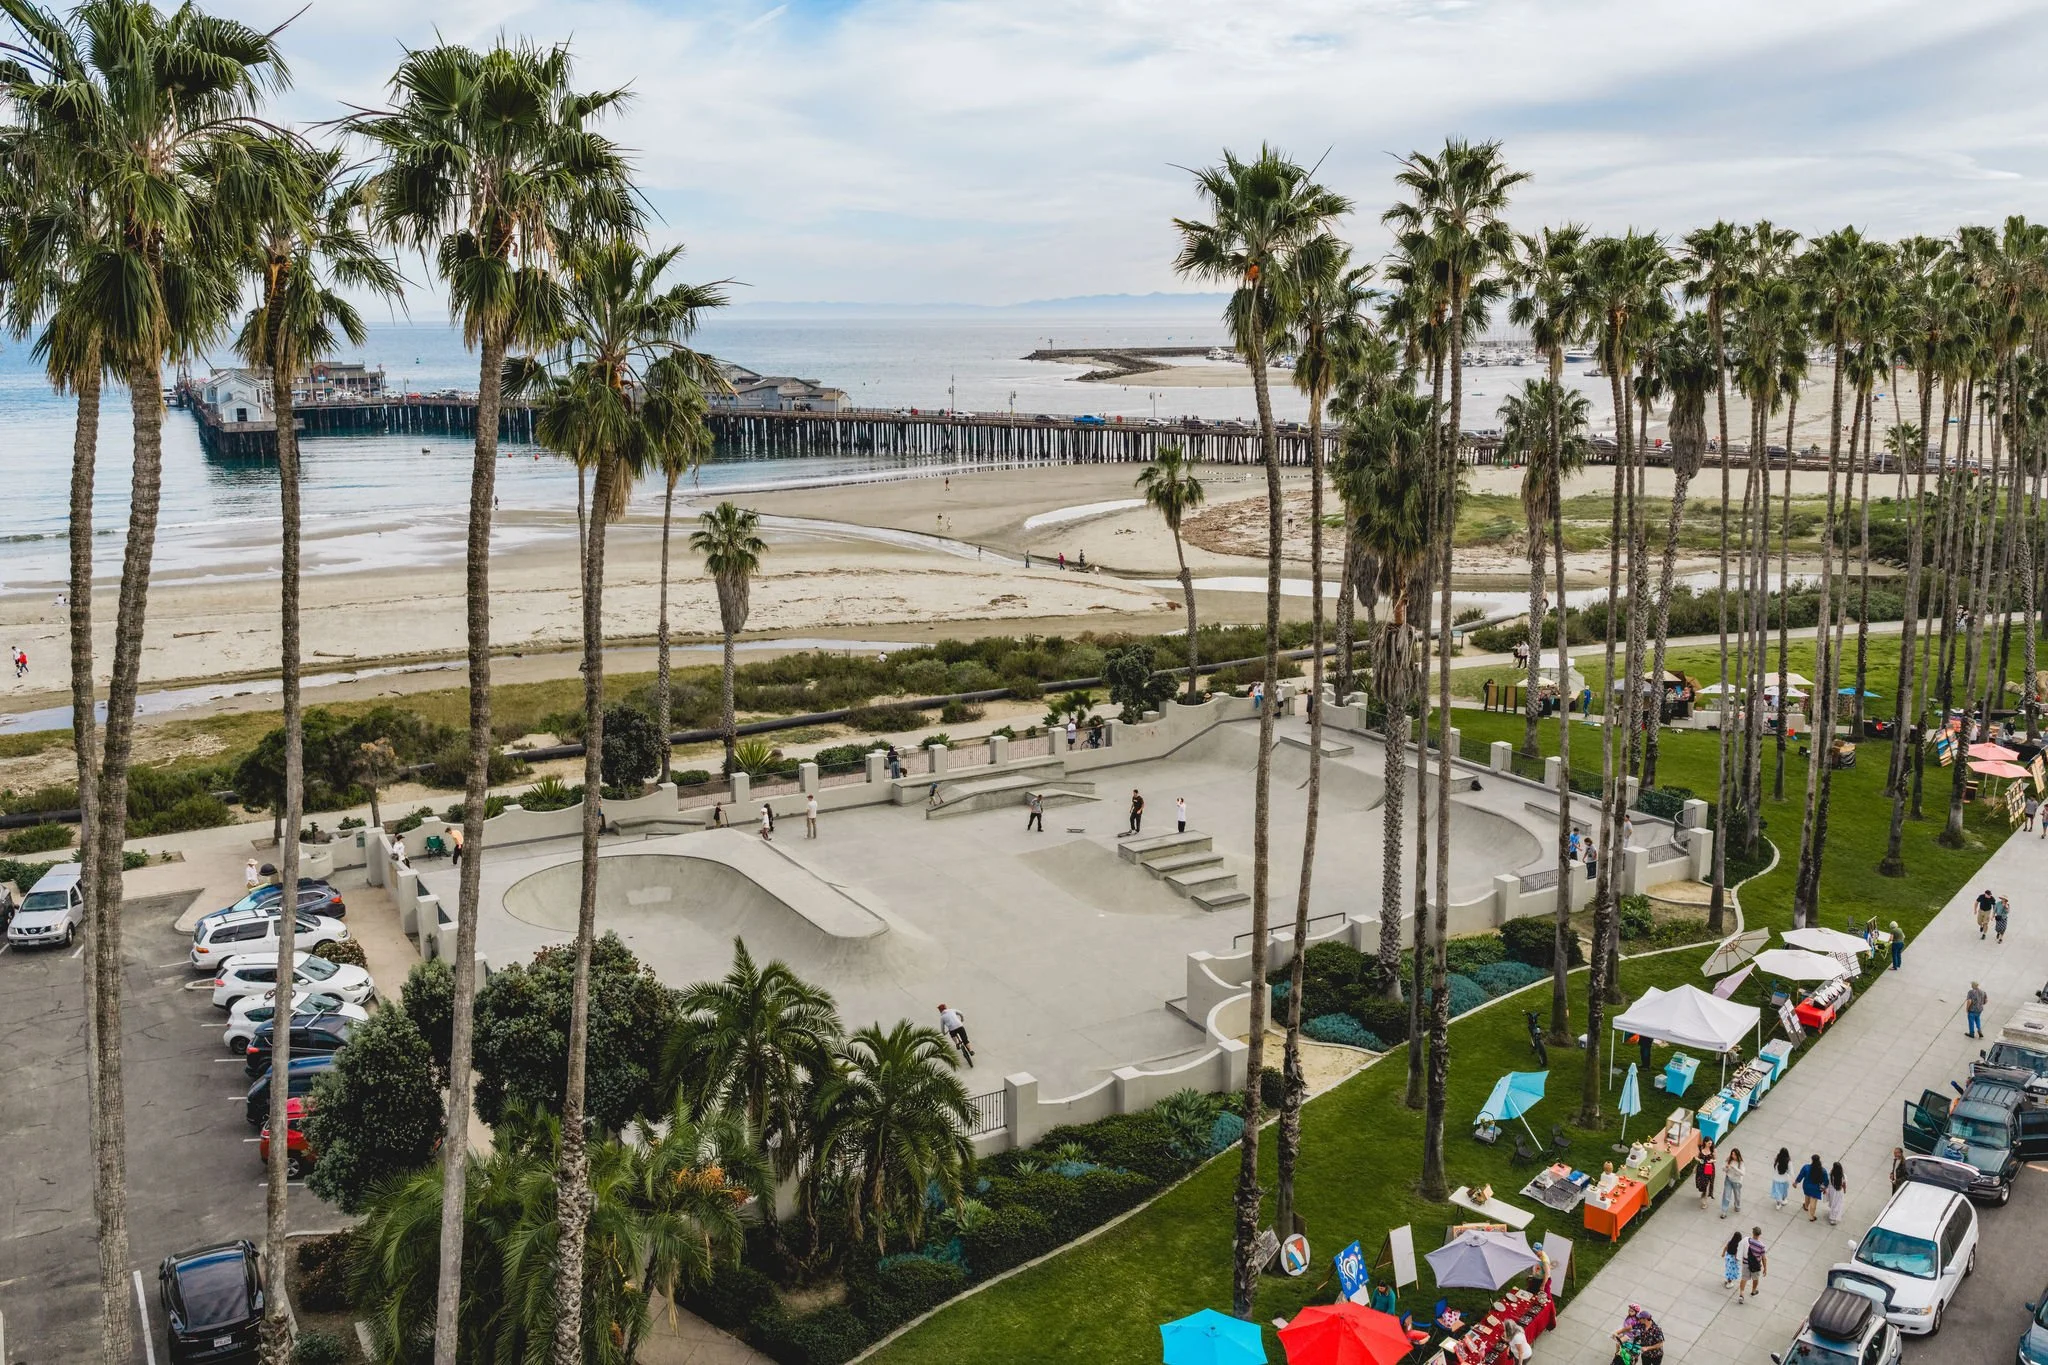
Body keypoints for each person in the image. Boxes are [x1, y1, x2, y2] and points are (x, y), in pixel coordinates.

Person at [1740, 1228, 1767, 1301]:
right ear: (1760, 1234)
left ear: (1753, 1233)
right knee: (1755, 1278)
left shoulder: (1748, 1240)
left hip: (1746, 1262)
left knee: (1744, 1278)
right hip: (1755, 1265)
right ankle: (1753, 1291)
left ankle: (1741, 1295)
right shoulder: (1762, 1246)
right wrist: (1765, 1268)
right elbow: (1764, 1258)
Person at [1798, 1153, 1827, 1221]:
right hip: (1816, 1188)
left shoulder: (1806, 1167)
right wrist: (1822, 1188)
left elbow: (1801, 1175)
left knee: (1807, 1196)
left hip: (1806, 1186)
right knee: (1813, 1202)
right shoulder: (1823, 1171)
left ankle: (1805, 1206)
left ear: (1812, 1160)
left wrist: (1796, 1182)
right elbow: (1825, 1181)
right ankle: (1811, 1216)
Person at [1720, 1147, 1744, 1217]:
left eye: (1734, 1155)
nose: (1733, 1156)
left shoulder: (1741, 1163)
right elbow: (1723, 1169)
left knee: (1737, 1196)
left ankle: (1737, 1206)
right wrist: (1726, 1167)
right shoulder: (1729, 1160)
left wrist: (1735, 1168)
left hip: (1737, 1182)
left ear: (1738, 1155)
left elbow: (1743, 1173)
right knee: (1726, 1195)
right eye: (1732, 1154)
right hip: (1728, 1180)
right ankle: (1724, 1211)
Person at [1695, 1137, 1717, 1209]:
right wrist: (1699, 1160)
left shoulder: (1713, 1149)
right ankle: (1703, 1193)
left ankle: (1704, 1201)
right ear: (1705, 1142)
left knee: (1707, 1184)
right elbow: (1695, 1157)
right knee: (1701, 1183)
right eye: (1709, 1143)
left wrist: (1711, 1161)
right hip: (1701, 1168)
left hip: (1709, 1168)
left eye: (1711, 1143)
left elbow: (1715, 1159)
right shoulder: (1700, 1148)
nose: (1710, 1144)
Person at [1825, 1161, 1847, 1225]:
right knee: (1838, 1204)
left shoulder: (1830, 1174)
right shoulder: (1843, 1176)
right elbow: (1844, 1184)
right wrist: (1845, 1190)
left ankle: (1832, 1217)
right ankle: (1833, 1218)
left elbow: (1828, 1182)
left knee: (1833, 1203)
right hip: (1839, 1191)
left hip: (1832, 1191)